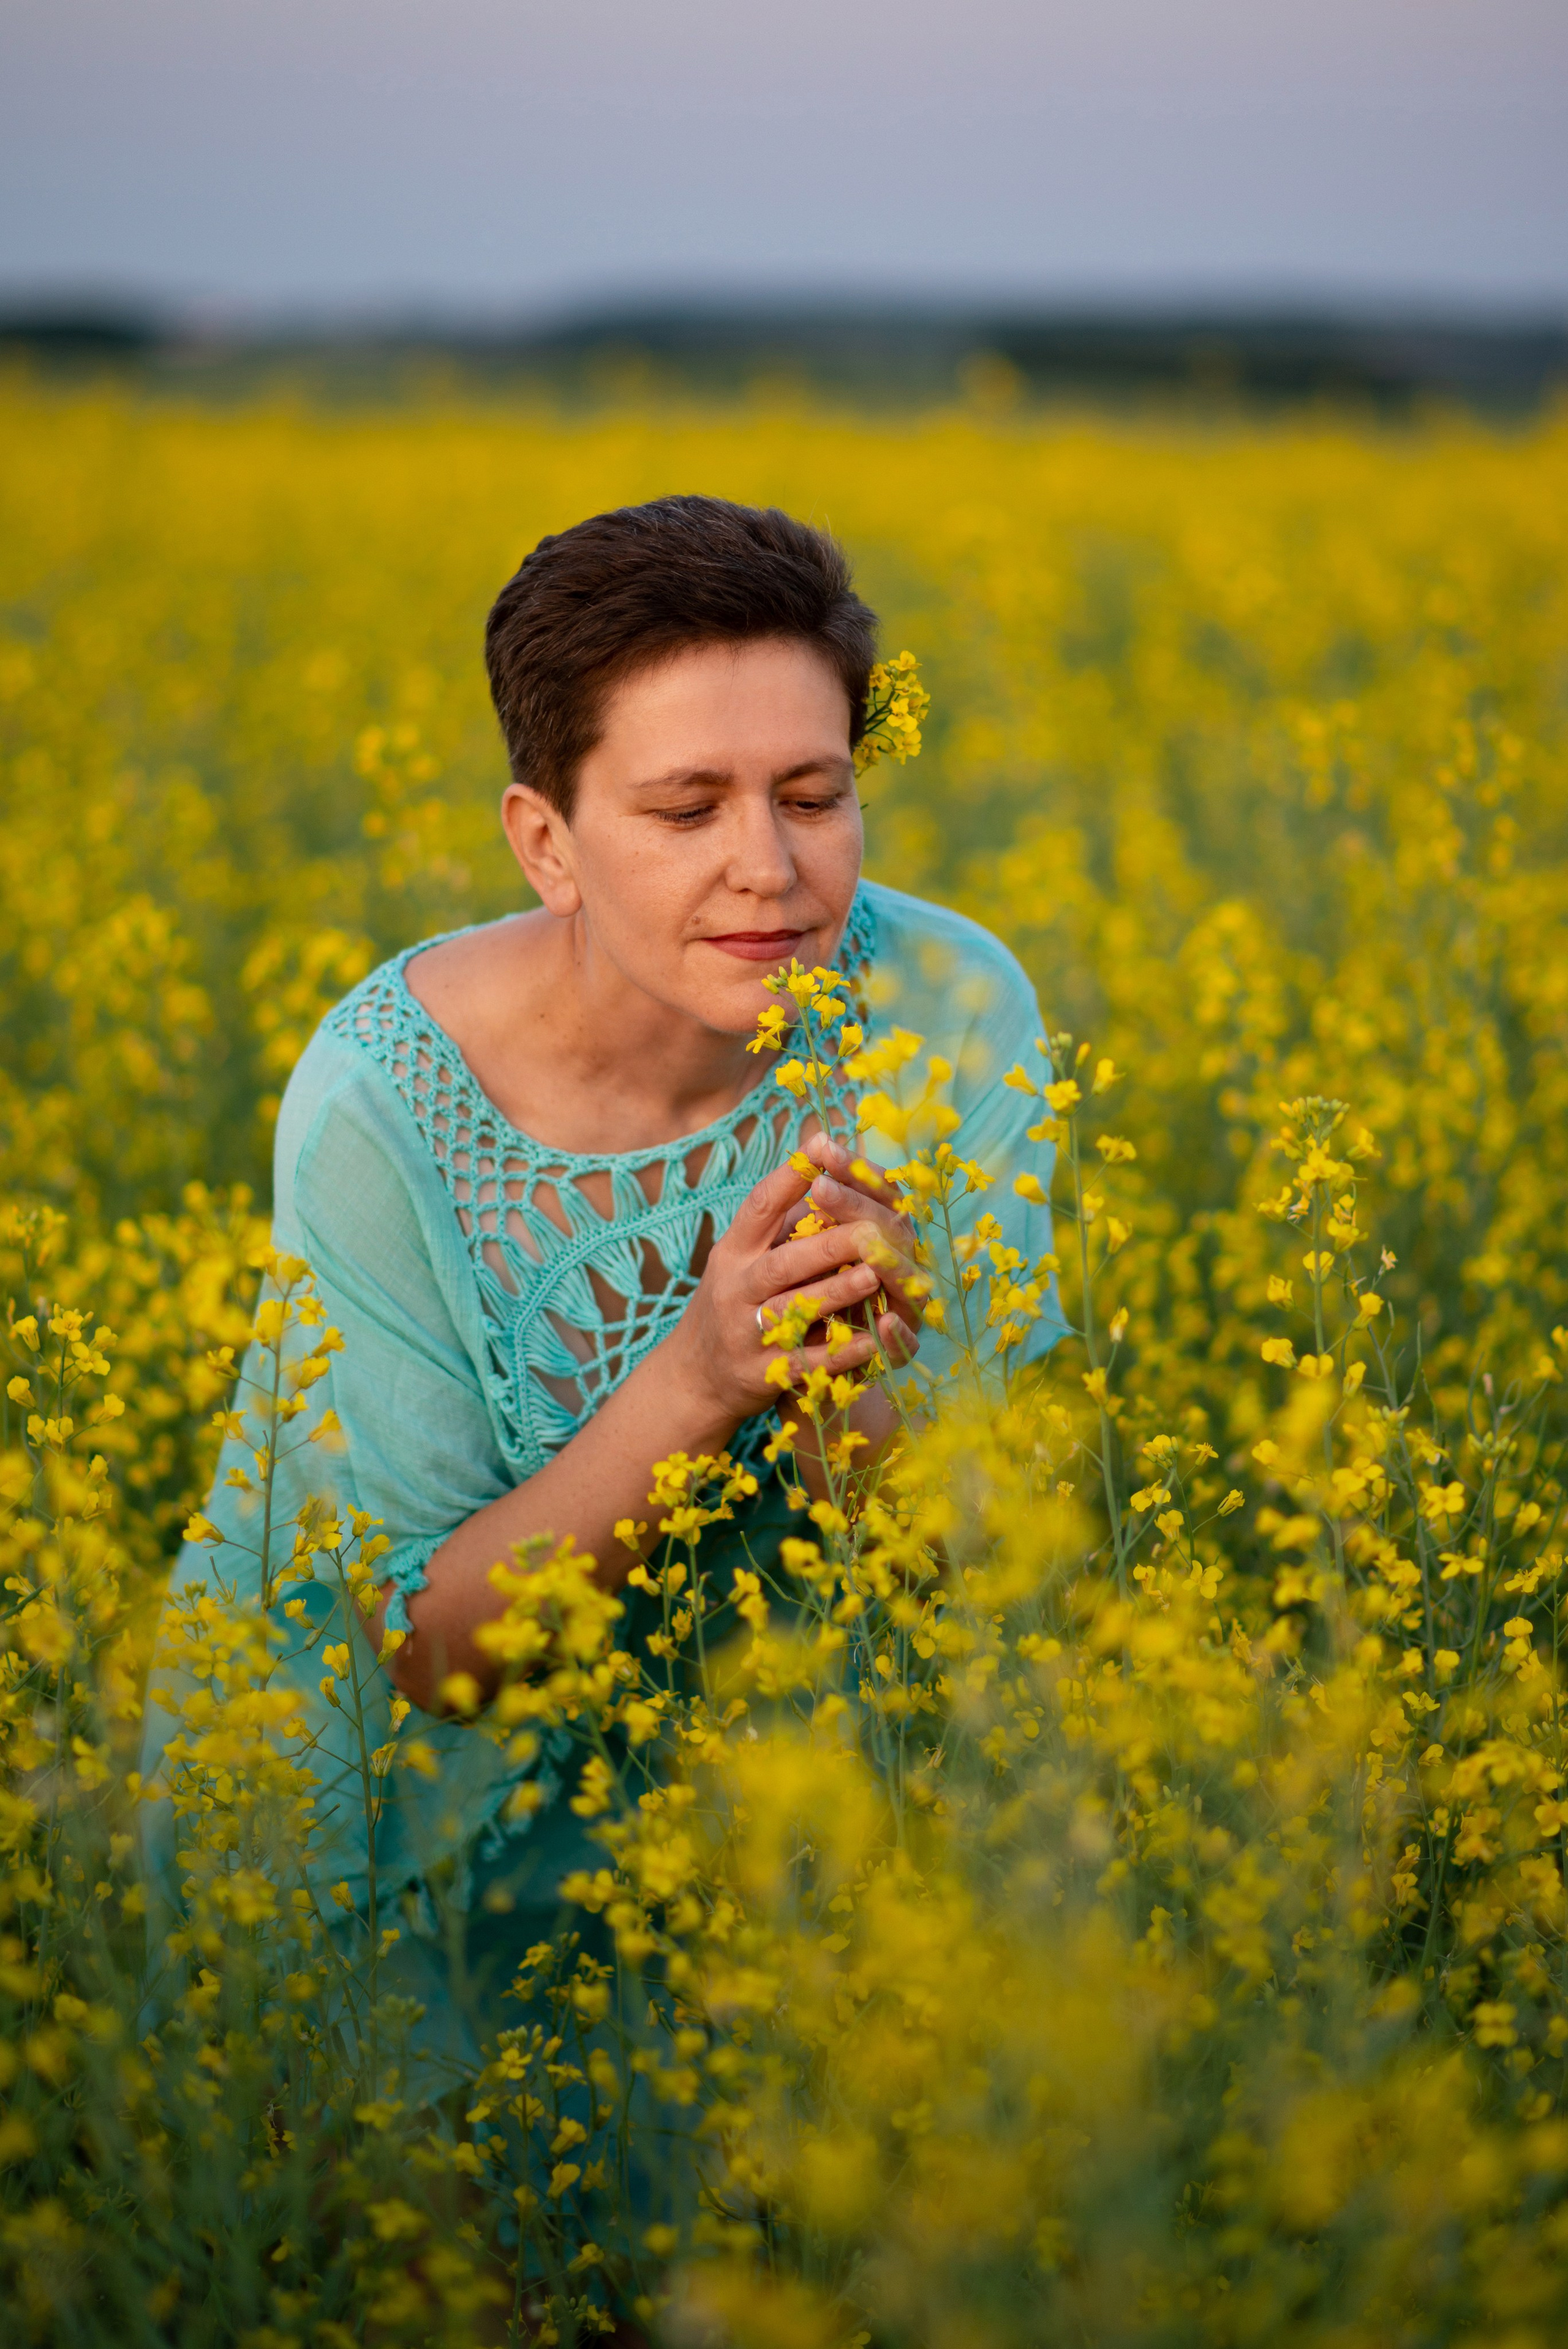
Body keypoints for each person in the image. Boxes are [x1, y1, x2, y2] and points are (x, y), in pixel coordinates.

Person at [140, 494, 1064, 2081]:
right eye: (687, 805)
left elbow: (979, 1583)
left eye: (813, 792)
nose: (767, 869)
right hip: (379, 1834)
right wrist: (703, 1376)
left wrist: (861, 1385)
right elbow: (431, 1655)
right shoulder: (382, 1102)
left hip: (756, 1822)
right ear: (546, 842)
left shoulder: (950, 1009)